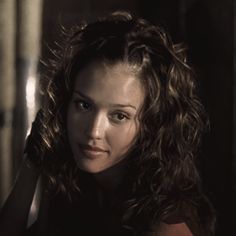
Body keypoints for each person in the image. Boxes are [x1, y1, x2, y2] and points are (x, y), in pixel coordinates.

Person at [0, 11, 216, 236]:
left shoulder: (164, 226)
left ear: (151, 123)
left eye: (119, 116)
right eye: (84, 105)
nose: (93, 131)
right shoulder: (70, 172)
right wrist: (33, 160)